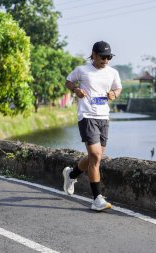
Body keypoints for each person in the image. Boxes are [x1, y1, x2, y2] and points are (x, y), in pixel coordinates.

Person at [62, 41, 122, 211]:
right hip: (87, 115)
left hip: (104, 117)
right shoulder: (82, 70)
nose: (105, 60)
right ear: (93, 54)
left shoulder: (112, 73)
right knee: (95, 155)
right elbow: (68, 81)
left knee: (96, 156)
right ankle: (97, 199)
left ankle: (71, 174)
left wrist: (114, 94)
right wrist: (76, 89)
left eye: (108, 57)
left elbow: (118, 88)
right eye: (102, 56)